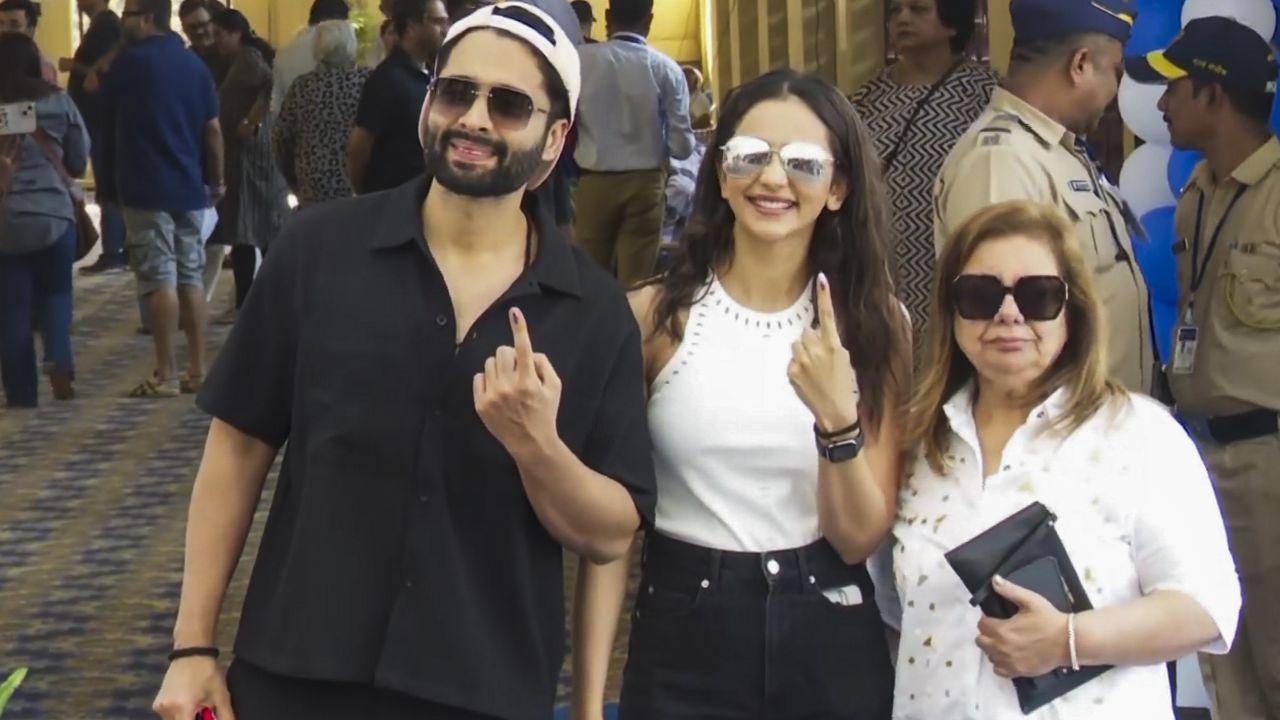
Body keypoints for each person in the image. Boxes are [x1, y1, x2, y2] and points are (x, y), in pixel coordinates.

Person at [151, 4, 654, 720]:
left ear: (555, 138)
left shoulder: (593, 311)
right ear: (429, 104)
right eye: (457, 92)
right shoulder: (317, 251)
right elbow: (237, 446)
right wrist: (192, 646)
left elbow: (611, 530)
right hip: (299, 672)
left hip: (483, 686)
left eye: (509, 105)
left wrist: (538, 447)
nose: (475, 119)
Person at [573, 69, 909, 720]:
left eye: (805, 163)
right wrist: (588, 705)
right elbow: (610, 533)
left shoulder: (875, 323)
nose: (773, 180)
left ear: (838, 186)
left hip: (831, 626)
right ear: (720, 173)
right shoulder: (651, 316)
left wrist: (838, 424)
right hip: (683, 625)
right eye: (750, 156)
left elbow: (859, 537)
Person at [886, 200, 1241, 719]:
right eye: (981, 295)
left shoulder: (1138, 434)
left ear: (1073, 311)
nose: (1009, 314)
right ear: (951, 310)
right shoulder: (917, 445)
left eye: (1038, 295)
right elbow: (895, 613)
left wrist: (1068, 640)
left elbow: (1209, 607)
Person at [1127, 19, 1280, 720]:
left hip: (1270, 465)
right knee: (1228, 668)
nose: (1161, 106)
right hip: (1207, 460)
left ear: (1213, 93)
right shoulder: (1199, 194)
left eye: (1175, 88)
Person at [934, 0, 1152, 393]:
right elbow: (1000, 331)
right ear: (1080, 64)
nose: (1113, 93)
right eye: (1114, 74)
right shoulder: (1002, 161)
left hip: (1098, 429)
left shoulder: (1056, 152)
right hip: (1052, 433)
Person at [852, 0, 995, 366]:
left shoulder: (986, 95)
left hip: (954, 262)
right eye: (896, 11)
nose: (902, 19)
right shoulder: (864, 101)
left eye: (917, 10)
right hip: (881, 268)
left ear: (952, 24)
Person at [99, 0, 224, 398]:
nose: (123, 21)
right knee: (191, 275)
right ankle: (197, 369)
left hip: (145, 185)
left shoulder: (129, 63)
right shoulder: (194, 65)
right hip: (190, 187)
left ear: (147, 18)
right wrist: (216, 181)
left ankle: (165, 372)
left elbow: (102, 111)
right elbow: (214, 131)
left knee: (159, 278)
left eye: (128, 14)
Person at [574, 0, 694, 284]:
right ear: (649, 21)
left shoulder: (579, 61)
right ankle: (631, 327)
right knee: (636, 281)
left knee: (590, 279)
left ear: (607, 17)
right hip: (646, 185)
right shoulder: (667, 69)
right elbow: (682, 147)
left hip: (593, 184)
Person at [0, 33, 88, 407]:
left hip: (6, 220)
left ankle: (21, 391)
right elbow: (80, 156)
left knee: (12, 307)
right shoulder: (58, 101)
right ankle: (60, 360)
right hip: (54, 214)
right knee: (56, 294)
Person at [209, 9, 289, 326]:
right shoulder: (240, 59)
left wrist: (250, 121)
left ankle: (254, 301)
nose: (216, 41)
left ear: (235, 33)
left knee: (251, 229)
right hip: (245, 156)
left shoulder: (249, 58)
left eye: (220, 34)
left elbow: (270, 85)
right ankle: (254, 300)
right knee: (250, 229)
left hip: (252, 157)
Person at [347, 0, 449, 194]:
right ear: (411, 27)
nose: (445, 29)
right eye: (438, 22)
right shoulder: (387, 79)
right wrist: (363, 196)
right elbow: (359, 147)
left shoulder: (429, 74)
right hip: (390, 200)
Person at [274, 20, 371, 207]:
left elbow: (281, 139)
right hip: (357, 179)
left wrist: (293, 179)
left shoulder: (302, 86)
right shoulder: (367, 82)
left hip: (312, 182)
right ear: (352, 46)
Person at [63, 0, 126, 275]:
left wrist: (73, 66)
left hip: (102, 121)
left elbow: (105, 69)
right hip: (97, 121)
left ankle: (114, 250)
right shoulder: (100, 26)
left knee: (109, 184)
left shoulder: (107, 24)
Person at [269, 0, 350, 115]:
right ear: (339, 22)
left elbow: (276, 101)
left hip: (292, 123)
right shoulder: (337, 47)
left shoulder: (285, 50)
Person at [0, 0, 57, 83]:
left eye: (14, 25)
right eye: (0, 23)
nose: (4, 30)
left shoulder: (44, 68)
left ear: (30, 30)